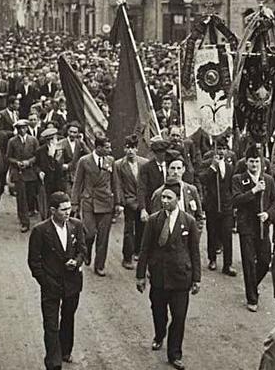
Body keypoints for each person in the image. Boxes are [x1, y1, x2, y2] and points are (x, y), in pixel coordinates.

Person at [135, 186, 201, 370]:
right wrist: (141, 276)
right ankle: (159, 334)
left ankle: (175, 353)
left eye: (168, 197)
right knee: (159, 311)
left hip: (181, 277)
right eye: (163, 197)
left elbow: (194, 252)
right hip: (159, 277)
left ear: (177, 199)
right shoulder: (154, 221)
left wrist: (196, 278)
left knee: (179, 317)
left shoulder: (188, 222)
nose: (164, 201)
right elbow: (145, 249)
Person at [28, 192, 87, 370]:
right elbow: (34, 261)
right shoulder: (40, 230)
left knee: (68, 317)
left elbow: (83, 250)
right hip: (51, 284)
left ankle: (65, 351)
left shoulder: (76, 226)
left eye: (69, 208)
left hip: (72, 283)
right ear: (53, 210)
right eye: (63, 210)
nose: (68, 212)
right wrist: (45, 282)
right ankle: (53, 363)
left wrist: (76, 262)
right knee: (51, 324)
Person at [232, 144, 275, 312]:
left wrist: (268, 214)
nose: (254, 165)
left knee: (265, 261)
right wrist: (254, 190)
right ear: (246, 163)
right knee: (248, 262)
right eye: (251, 162)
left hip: (263, 226)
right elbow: (236, 199)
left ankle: (252, 284)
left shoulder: (268, 179)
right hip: (246, 226)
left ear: (262, 162)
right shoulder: (239, 179)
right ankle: (252, 297)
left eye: (257, 162)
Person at [71, 135, 116, 276]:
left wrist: (119, 203)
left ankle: (99, 265)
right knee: (89, 233)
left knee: (103, 237)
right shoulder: (84, 161)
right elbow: (77, 183)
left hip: (106, 202)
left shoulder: (110, 161)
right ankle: (86, 250)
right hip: (89, 201)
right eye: (107, 147)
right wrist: (74, 203)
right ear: (98, 148)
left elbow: (115, 182)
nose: (110, 150)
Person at [197, 139, 236, 275]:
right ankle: (212, 259)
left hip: (226, 206)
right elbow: (203, 179)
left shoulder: (230, 166)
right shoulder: (207, 164)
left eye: (224, 148)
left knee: (227, 234)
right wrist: (212, 168)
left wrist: (232, 203)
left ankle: (228, 264)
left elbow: (232, 186)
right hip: (212, 205)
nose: (221, 151)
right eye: (219, 148)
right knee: (212, 233)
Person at [113, 134, 148, 269]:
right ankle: (127, 257)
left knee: (142, 228)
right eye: (128, 148)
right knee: (129, 230)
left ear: (137, 149)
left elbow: (145, 184)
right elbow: (118, 185)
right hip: (128, 202)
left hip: (142, 202)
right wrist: (121, 202)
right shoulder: (118, 165)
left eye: (133, 148)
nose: (130, 151)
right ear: (124, 149)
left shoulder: (144, 163)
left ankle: (137, 251)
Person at [7, 119, 40, 232]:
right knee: (21, 198)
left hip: (30, 173)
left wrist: (29, 162)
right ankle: (24, 221)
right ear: (17, 129)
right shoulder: (12, 141)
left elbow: (37, 155)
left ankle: (30, 212)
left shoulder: (33, 140)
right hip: (18, 173)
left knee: (31, 195)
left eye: (24, 127)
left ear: (27, 128)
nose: (22, 130)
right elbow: (9, 157)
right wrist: (17, 162)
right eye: (19, 128)